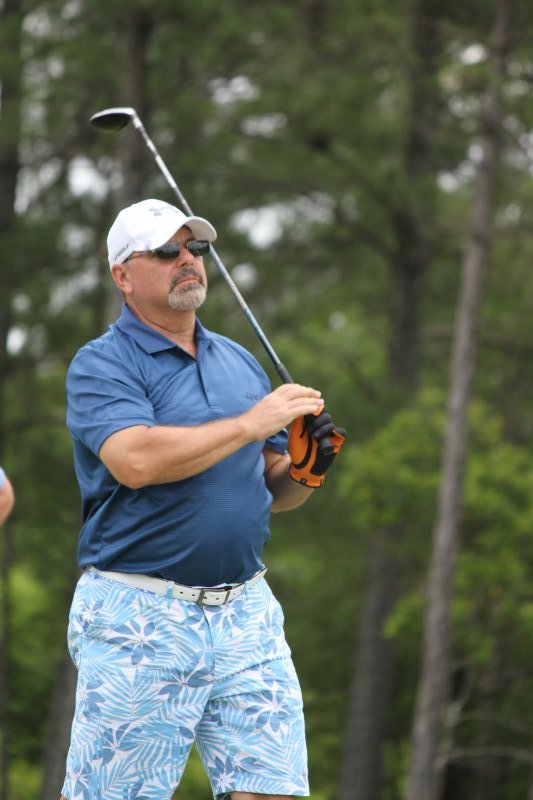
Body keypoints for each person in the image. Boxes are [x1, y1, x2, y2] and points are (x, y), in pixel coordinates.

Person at [60, 198, 345, 800]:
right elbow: (136, 461)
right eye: (167, 251)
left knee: (272, 789)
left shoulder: (238, 362)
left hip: (246, 611)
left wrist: (305, 470)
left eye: (196, 249)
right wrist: (251, 423)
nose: (187, 260)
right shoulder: (101, 364)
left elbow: (270, 490)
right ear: (122, 276)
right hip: (139, 611)